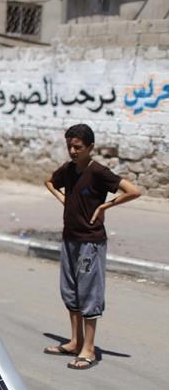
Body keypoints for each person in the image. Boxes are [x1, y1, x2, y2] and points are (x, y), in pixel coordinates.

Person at [43, 124, 140, 370]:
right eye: (70, 146)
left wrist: (104, 206)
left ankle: (89, 349)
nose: (73, 151)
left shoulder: (98, 172)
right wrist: (65, 200)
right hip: (69, 239)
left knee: (89, 294)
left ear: (90, 147)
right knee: (70, 292)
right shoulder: (68, 170)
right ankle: (75, 342)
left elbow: (133, 191)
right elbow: (49, 182)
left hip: (90, 242)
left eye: (78, 147)